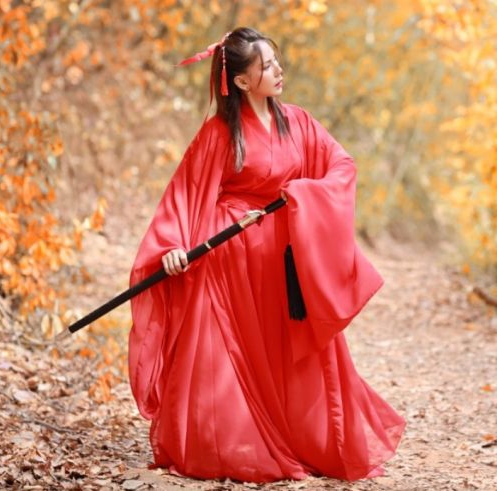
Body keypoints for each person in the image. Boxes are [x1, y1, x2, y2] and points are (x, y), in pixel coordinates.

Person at [127, 27, 406, 483]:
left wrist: (305, 193)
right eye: (268, 66)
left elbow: (342, 166)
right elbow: (185, 192)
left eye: (276, 62)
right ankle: (233, 440)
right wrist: (174, 247)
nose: (279, 71)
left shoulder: (296, 121)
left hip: (283, 263)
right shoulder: (220, 133)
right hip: (228, 262)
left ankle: (301, 438)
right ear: (240, 81)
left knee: (287, 352)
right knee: (228, 354)